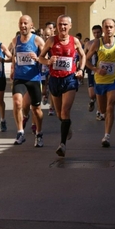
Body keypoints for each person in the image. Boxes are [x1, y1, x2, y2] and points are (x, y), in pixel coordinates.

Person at [39, 15, 86, 157]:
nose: (62, 27)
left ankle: (62, 144)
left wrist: (81, 70)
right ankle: (67, 125)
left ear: (70, 26)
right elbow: (41, 57)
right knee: (60, 114)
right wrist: (48, 61)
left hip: (70, 79)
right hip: (55, 79)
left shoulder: (75, 41)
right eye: (60, 24)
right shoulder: (51, 40)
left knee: (65, 110)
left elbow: (83, 56)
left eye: (65, 24)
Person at [85, 18, 115, 147]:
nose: (109, 29)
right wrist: (96, 69)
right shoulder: (97, 43)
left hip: (113, 79)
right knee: (102, 109)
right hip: (99, 80)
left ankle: (107, 136)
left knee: (110, 106)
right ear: (103, 29)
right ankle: (99, 110)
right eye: (106, 27)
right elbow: (86, 60)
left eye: (111, 27)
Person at [10, 15, 45, 147]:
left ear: (31, 25)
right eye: (21, 23)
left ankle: (39, 133)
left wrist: (37, 58)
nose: (23, 26)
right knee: (17, 102)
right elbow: (14, 56)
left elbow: (45, 57)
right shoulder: (15, 40)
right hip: (19, 78)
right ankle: (20, 132)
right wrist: (13, 68)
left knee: (36, 109)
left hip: (34, 78)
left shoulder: (37, 40)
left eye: (25, 23)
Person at [84, 25, 103, 119]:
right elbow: (84, 56)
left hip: (101, 71)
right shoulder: (88, 43)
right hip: (91, 70)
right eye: (94, 33)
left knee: (99, 92)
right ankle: (92, 100)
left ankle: (99, 112)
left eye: (98, 32)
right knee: (92, 94)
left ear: (102, 32)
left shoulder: (105, 43)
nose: (96, 34)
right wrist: (81, 69)